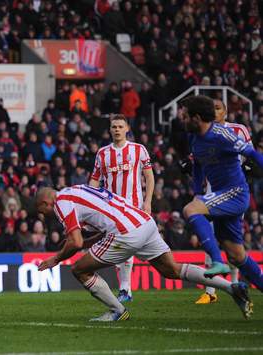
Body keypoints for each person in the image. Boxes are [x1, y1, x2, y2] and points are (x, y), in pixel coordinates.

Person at [36, 185, 252, 321]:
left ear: (46, 202)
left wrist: (55, 258)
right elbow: (90, 234)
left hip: (125, 232)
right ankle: (231, 288)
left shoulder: (61, 203)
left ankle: (117, 311)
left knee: (79, 269)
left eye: (41, 211)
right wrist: (82, 243)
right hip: (144, 223)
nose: (45, 216)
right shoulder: (78, 190)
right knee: (172, 270)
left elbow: (75, 241)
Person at [181, 95, 263, 296]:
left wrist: (196, 200)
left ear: (197, 118)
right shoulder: (194, 137)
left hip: (235, 193)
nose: (181, 120)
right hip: (220, 194)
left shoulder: (222, 135)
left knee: (190, 209)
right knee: (237, 256)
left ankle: (217, 261)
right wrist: (198, 193)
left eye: (185, 116)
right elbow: (199, 165)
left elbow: (252, 154)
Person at [89, 114, 154, 303]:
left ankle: (125, 288)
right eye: (114, 127)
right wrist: (91, 202)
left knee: (127, 245)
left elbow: (149, 177)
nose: (117, 129)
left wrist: (148, 201)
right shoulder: (102, 153)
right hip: (111, 208)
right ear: (110, 130)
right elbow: (95, 178)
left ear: (127, 129)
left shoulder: (139, 150)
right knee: (120, 246)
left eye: (120, 126)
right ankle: (125, 289)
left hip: (133, 207)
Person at [195, 99, 250, 304]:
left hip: (234, 190)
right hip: (212, 191)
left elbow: (248, 154)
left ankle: (235, 284)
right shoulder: (203, 132)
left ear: (225, 112)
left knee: (233, 241)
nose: (214, 112)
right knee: (210, 237)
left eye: (218, 108)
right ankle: (210, 291)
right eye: (212, 108)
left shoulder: (238, 129)